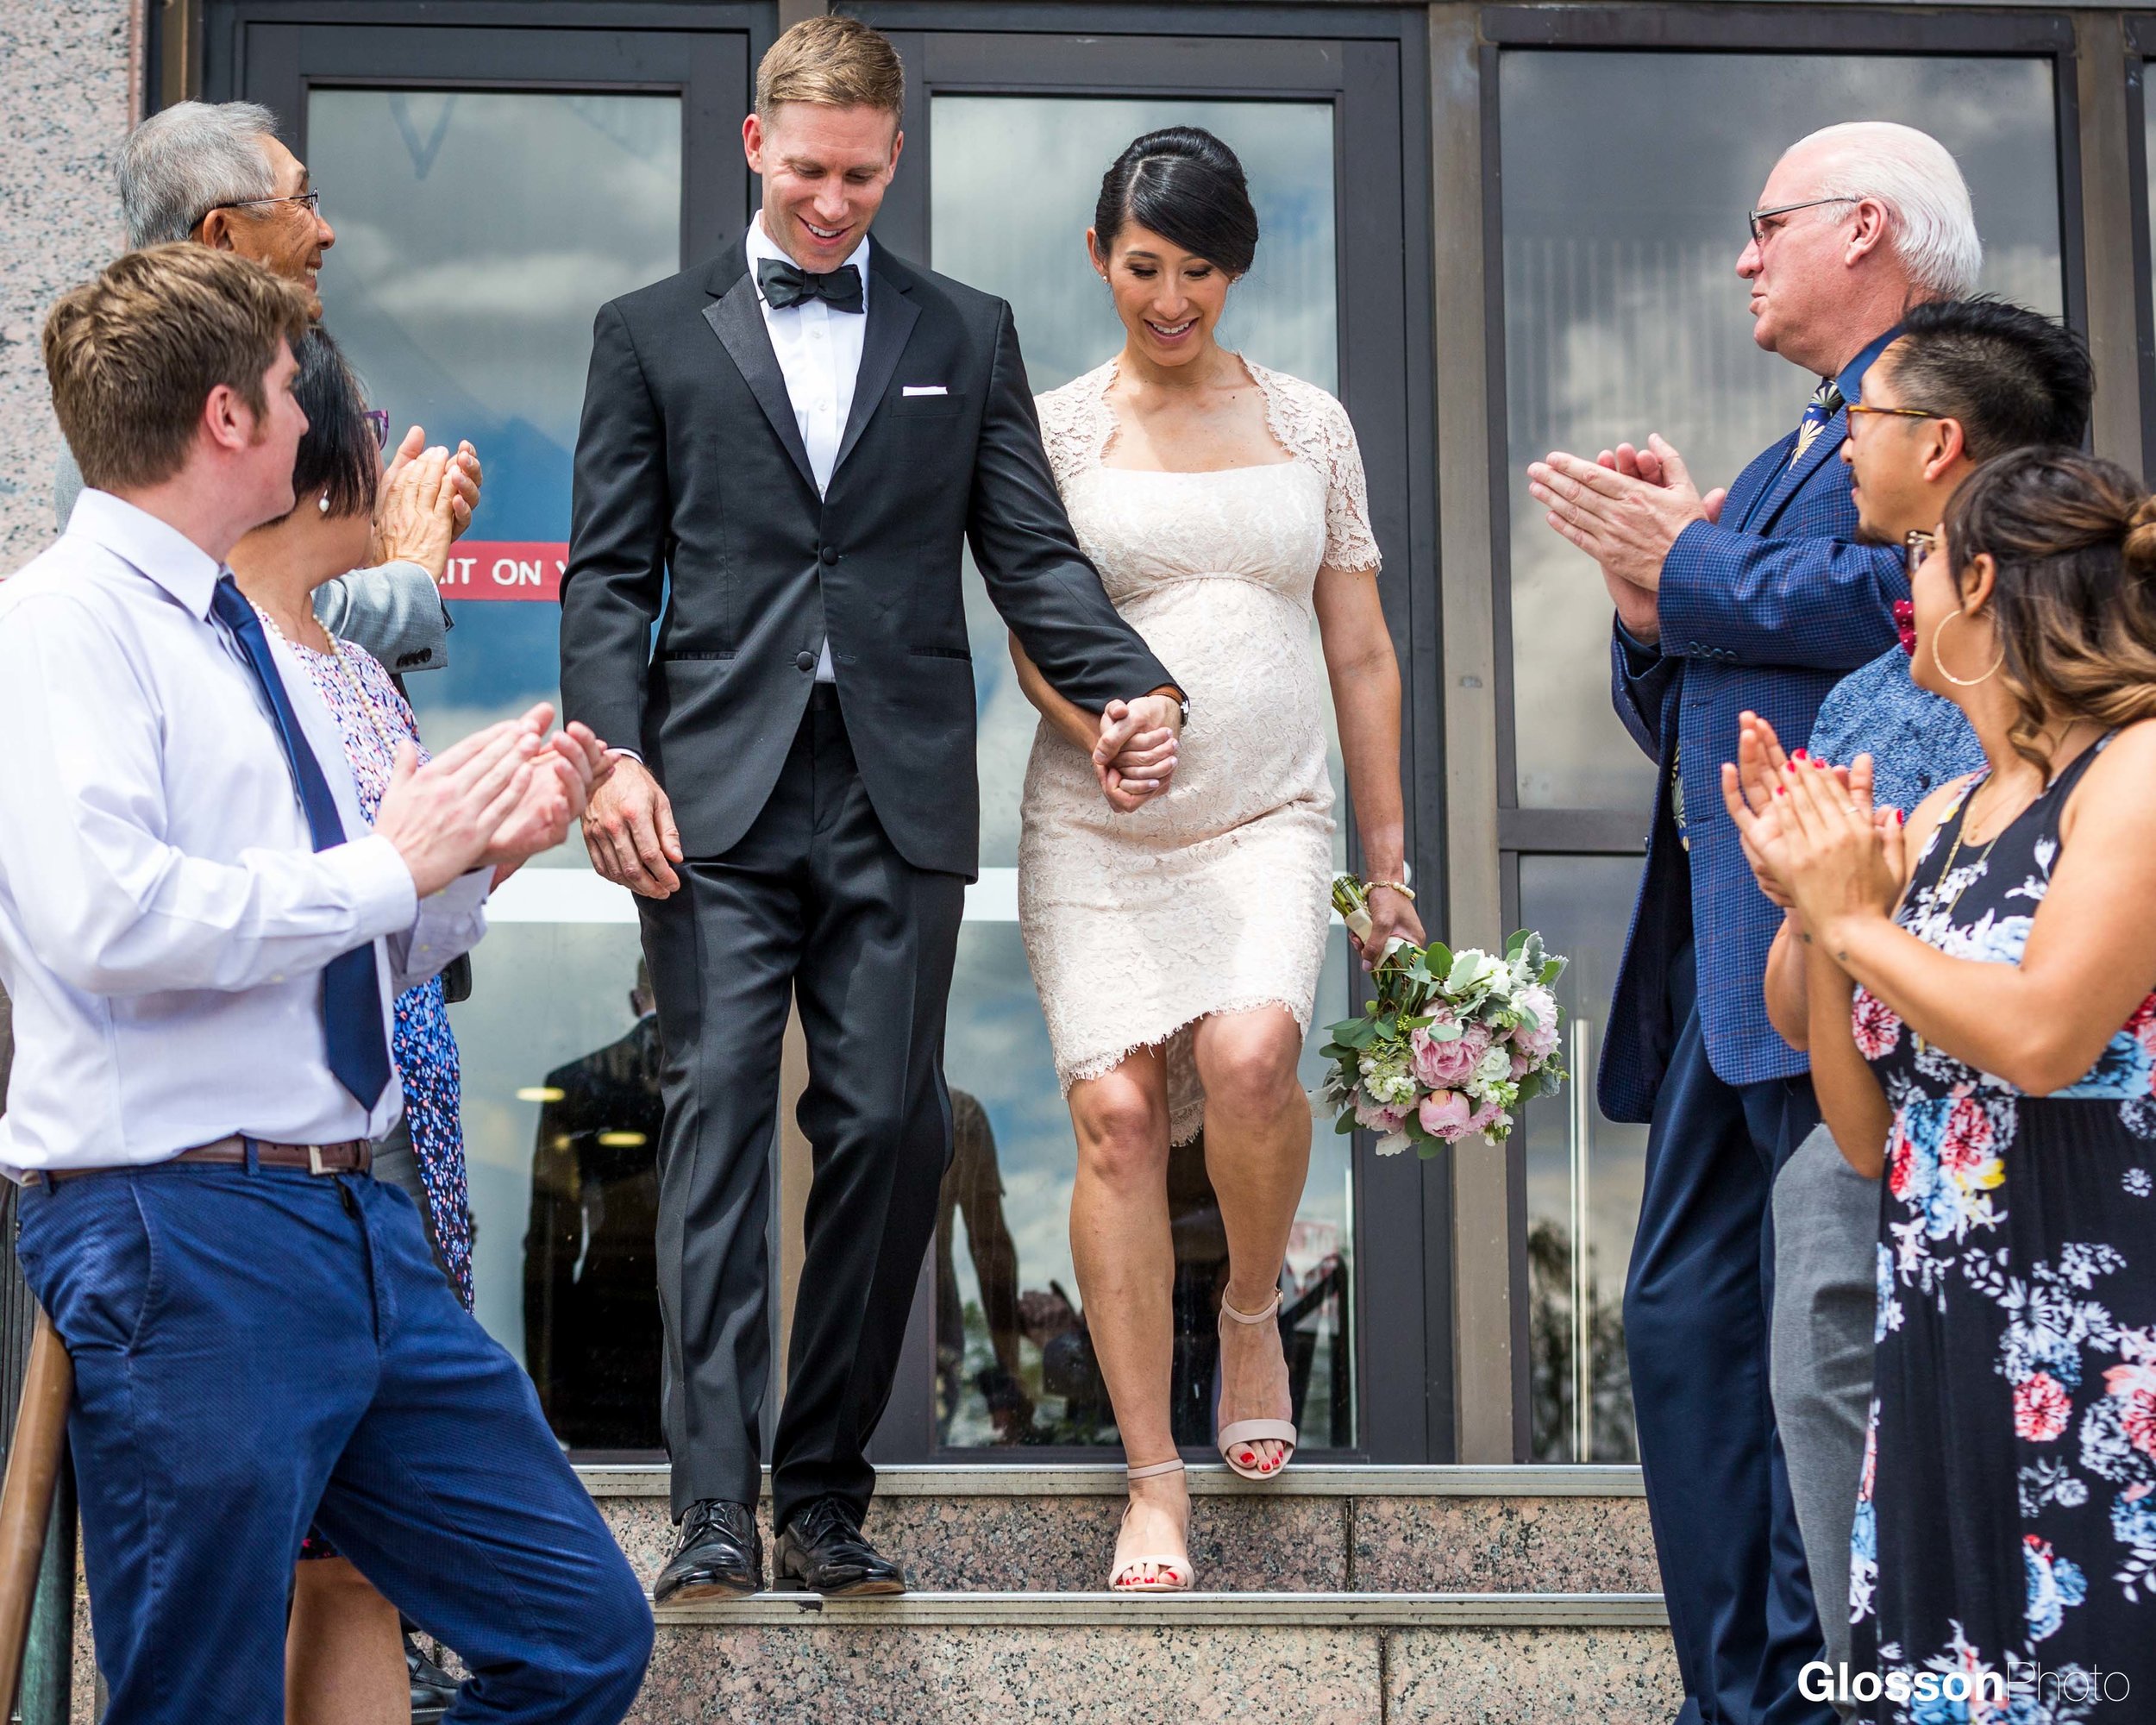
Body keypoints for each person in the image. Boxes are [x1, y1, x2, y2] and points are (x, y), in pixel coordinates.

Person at [561, 16, 1184, 1602]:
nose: (834, 203)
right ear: (755, 148)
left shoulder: (963, 331)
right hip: (711, 786)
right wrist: (612, 756)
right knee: (709, 1124)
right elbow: (609, 576)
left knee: (891, 1131)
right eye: (809, 172)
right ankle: (713, 1505)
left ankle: (824, 1495)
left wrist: (1125, 679)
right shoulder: (646, 331)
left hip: (897, 782)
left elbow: (1030, 552)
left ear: (895, 158)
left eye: (862, 175)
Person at [0, 242, 648, 1723]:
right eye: (298, 387)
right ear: (230, 418)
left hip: (356, 1225)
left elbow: (348, 940)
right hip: (181, 1232)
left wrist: (483, 854)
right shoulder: (61, 626)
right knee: (200, 1700)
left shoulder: (253, 642)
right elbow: (107, 920)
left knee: (581, 1633)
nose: (322, 419)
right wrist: (388, 864)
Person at [1524, 121, 1979, 1725]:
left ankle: (1812, 1690)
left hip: (1848, 963)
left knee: (1812, 1345)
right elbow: (1714, 698)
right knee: (1689, 1335)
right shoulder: (1806, 442)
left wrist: (1695, 565)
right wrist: (1652, 606)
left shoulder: (1955, 415)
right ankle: (1740, 1693)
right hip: (1732, 969)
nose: (1739, 259)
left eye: (1763, 226)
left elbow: (1923, 608)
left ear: (1865, 230)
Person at [1021, 127, 1420, 1592]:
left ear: (1236, 271)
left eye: (1201, 271)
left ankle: (1249, 1306)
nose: (1172, 296)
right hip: (1100, 823)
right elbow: (1030, 634)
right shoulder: (1057, 429)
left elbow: (1361, 651)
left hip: (1270, 814)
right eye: (1144, 266)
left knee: (1255, 1057)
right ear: (1098, 259)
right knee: (1120, 1121)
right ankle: (1153, 1482)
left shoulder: (1309, 423)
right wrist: (1093, 719)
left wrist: (1388, 868)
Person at [1733, 448, 2156, 1720]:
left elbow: (2040, 1039)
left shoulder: (2135, 772)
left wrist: (1854, 928)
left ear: (1979, 581)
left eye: (1921, 557)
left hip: (2105, 1337)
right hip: (1946, 1343)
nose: (1902, 579)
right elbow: (1865, 1132)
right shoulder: (1947, 809)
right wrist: (1812, 915)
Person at [221, 324, 478, 1724]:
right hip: (262, 1183)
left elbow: (419, 900)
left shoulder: (360, 671)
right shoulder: (206, 655)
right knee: (243, 1568)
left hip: (401, 1151)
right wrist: (423, 575)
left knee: (359, 1564)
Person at [53, 99, 479, 676]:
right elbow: (260, 610)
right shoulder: (142, 397)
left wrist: (363, 531)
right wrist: (407, 575)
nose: (326, 233)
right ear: (223, 236)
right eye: (301, 201)